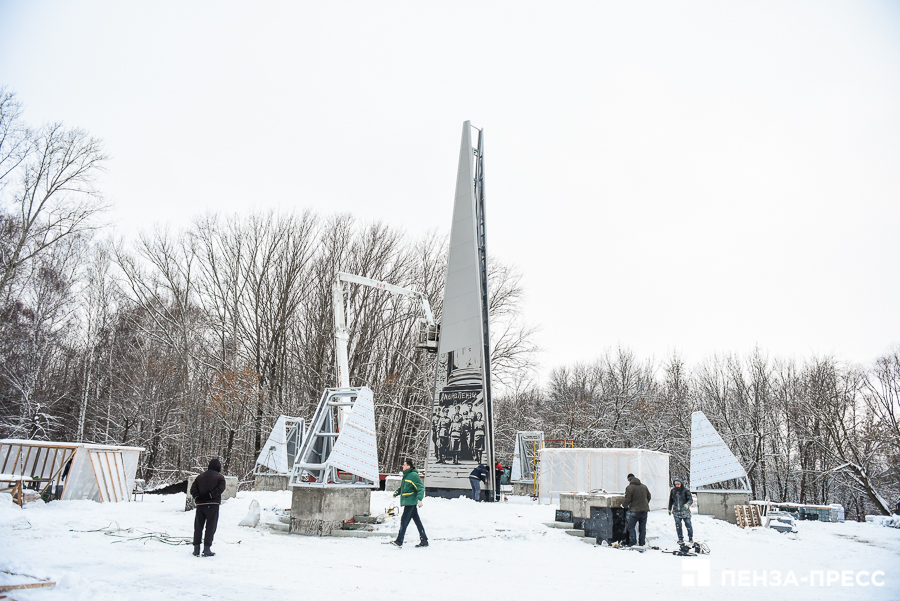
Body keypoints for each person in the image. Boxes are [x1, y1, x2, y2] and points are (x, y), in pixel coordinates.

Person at [190, 458, 227, 557]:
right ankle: (207, 549)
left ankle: (196, 549)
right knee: (210, 527)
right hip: (213, 504)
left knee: (198, 526)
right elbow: (220, 489)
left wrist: (198, 497)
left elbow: (193, 489)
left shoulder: (200, 477)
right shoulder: (220, 477)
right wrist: (211, 496)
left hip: (200, 505)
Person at [391, 459, 427, 548]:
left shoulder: (413, 475)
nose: (402, 466)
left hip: (411, 502)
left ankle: (399, 541)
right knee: (417, 521)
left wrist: (419, 499)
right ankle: (424, 540)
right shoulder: (407, 476)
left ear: (408, 467)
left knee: (404, 521)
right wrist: (397, 492)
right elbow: (405, 488)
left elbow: (421, 487)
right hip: (408, 501)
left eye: (404, 465)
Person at [621, 473, 651, 547]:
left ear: (629, 480)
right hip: (644, 510)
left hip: (635, 511)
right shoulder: (644, 486)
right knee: (642, 528)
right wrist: (645, 504)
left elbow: (628, 499)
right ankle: (642, 542)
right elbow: (649, 496)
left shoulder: (630, 488)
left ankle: (633, 542)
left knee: (631, 527)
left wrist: (623, 505)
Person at [668, 477, 694, 544]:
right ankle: (680, 538)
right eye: (676, 484)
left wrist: (687, 505)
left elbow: (690, 499)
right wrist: (669, 509)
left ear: (681, 484)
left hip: (685, 512)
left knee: (688, 524)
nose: (677, 485)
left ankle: (690, 537)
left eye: (678, 484)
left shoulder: (685, 491)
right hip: (676, 511)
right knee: (678, 525)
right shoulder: (673, 491)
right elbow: (671, 500)